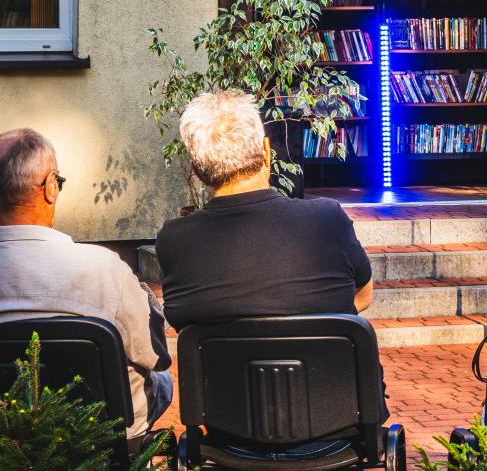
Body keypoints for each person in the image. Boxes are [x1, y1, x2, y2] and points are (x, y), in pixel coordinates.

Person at [0, 128, 172, 440]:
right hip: (105, 441)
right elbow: (155, 356)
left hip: (8, 439)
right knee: (163, 382)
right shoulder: (104, 268)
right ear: (51, 186)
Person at [157, 90, 374, 330]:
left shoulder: (175, 240)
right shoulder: (327, 219)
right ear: (267, 151)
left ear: (196, 170)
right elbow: (364, 295)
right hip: (328, 365)